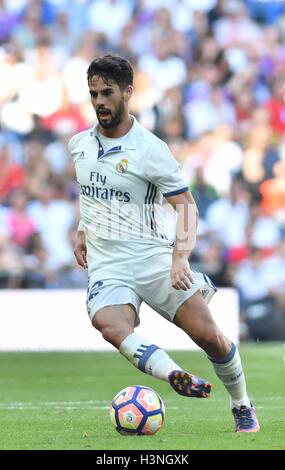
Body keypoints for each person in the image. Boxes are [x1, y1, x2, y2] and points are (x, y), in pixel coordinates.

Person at [69, 53, 259, 433]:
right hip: (108, 264)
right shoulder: (79, 145)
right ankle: (172, 374)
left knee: (210, 337)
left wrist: (180, 258)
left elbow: (186, 207)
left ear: (128, 92)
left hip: (153, 258)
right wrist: (82, 229)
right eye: (93, 94)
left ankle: (241, 404)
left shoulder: (151, 149)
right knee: (108, 323)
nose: (100, 102)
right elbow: (93, 194)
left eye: (107, 93)